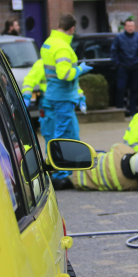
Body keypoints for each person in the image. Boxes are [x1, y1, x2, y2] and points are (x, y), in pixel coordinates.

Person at [41, 13, 93, 189]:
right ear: (72, 29)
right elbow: (64, 74)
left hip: (55, 94)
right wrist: (80, 69)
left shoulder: (48, 43)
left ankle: (73, 168)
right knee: (62, 133)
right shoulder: (63, 48)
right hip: (63, 96)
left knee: (71, 132)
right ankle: (61, 171)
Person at [22, 59, 85, 139]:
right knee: (52, 135)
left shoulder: (64, 62)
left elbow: (74, 84)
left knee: (71, 134)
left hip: (65, 105)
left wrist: (81, 97)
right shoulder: (42, 63)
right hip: (50, 107)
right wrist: (27, 95)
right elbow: (30, 80)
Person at [71, 146, 138, 191]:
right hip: (78, 182)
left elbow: (115, 146)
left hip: (78, 160)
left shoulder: (123, 150)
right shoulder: (132, 185)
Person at [111, 17, 138, 117]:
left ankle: (132, 111)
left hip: (136, 67)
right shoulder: (119, 38)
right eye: (128, 26)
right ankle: (119, 110)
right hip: (123, 67)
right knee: (120, 88)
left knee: (134, 89)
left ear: (134, 27)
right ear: (125, 27)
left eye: (132, 26)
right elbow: (114, 51)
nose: (130, 28)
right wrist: (117, 64)